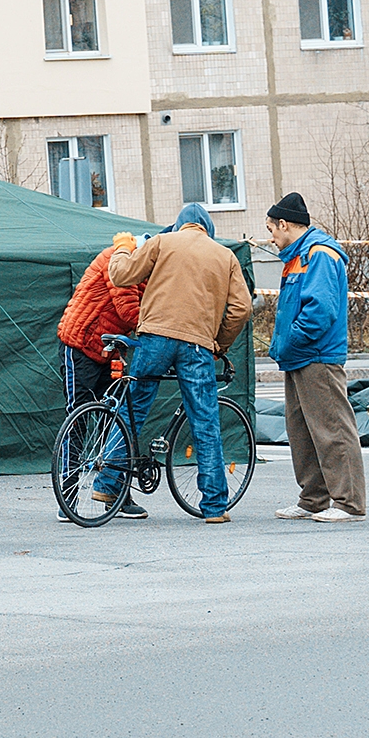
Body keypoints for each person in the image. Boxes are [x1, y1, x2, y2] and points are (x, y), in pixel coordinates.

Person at [103, 203, 254, 522]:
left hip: (155, 338)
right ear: (207, 230)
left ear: (179, 226)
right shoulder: (224, 256)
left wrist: (121, 248)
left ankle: (106, 483)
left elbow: (121, 275)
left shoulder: (162, 242)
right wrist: (218, 344)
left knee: (133, 408)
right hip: (197, 345)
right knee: (205, 420)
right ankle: (214, 507)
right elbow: (241, 308)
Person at [264, 192, 365, 523]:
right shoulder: (298, 256)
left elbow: (319, 312)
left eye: (272, 229)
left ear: (285, 224)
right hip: (299, 356)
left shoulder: (318, 255)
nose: (271, 237)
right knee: (303, 431)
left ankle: (348, 502)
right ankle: (314, 498)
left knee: (332, 428)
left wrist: (290, 341)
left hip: (316, 356)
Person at [55, 244, 143, 408]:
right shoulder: (120, 259)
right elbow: (128, 310)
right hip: (82, 343)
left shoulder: (149, 271)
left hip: (108, 349)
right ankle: (74, 435)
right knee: (79, 407)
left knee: (113, 408)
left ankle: (108, 434)